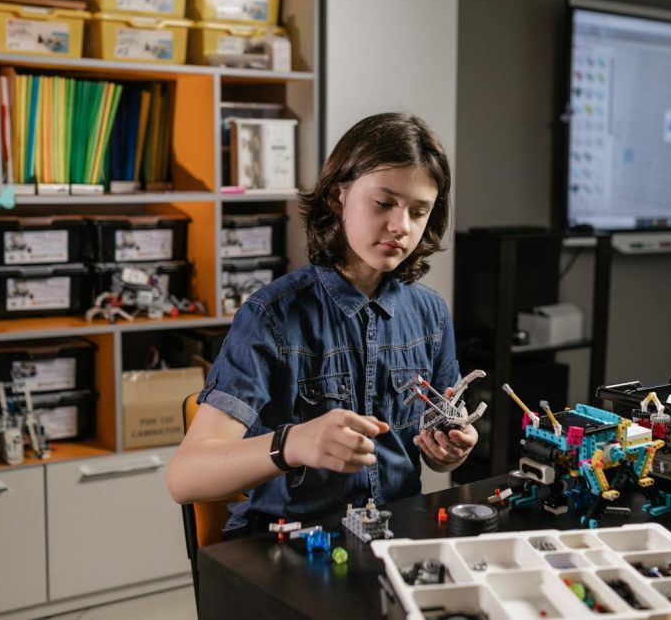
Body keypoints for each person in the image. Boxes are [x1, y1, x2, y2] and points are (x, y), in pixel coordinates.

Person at [166, 112, 478, 534]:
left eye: (418, 211)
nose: (401, 227)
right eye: (384, 203)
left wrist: (449, 451)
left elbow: (438, 437)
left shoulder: (431, 313)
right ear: (338, 197)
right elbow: (184, 478)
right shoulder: (271, 316)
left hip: (393, 537)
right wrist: (292, 444)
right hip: (293, 543)